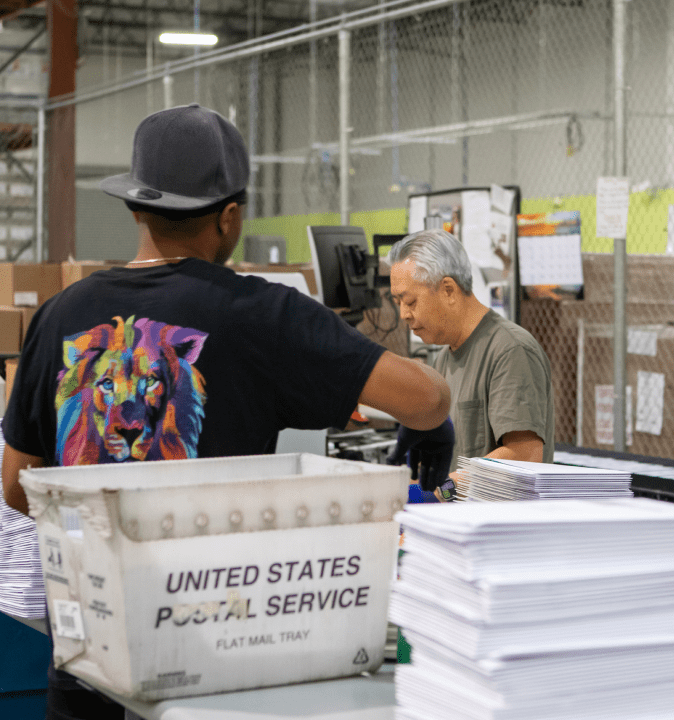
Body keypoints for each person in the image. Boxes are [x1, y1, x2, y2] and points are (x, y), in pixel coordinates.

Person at [1, 104, 453, 720]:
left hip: (89, 653)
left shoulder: (58, 315)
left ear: (136, 205)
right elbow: (428, 399)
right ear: (230, 215)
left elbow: (18, 487)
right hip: (211, 659)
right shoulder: (264, 314)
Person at [387, 228, 554, 500]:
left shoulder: (510, 350)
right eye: (398, 304)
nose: (404, 314)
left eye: (410, 301)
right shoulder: (443, 360)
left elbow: (524, 455)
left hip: (499, 534)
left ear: (449, 290)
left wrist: (442, 492)